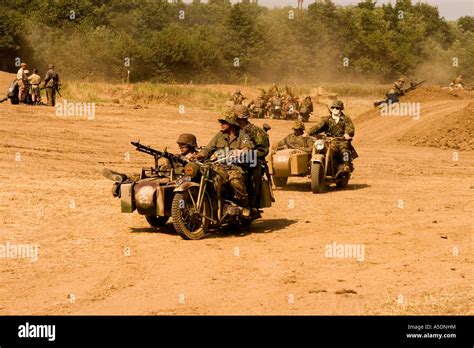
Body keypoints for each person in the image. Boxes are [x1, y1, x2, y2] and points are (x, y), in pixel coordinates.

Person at [195, 112, 254, 216]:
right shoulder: (219, 136)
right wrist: (198, 155)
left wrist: (241, 151)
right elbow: (208, 148)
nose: (221, 124)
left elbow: (247, 147)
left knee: (235, 181)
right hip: (219, 166)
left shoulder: (242, 135)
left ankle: (245, 205)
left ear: (231, 124)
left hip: (235, 167)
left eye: (223, 122)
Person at [102, 134, 199, 189]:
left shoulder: (197, 156)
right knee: (149, 175)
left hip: (184, 179)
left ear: (190, 145)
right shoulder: (179, 156)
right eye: (179, 145)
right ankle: (124, 178)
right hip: (171, 175)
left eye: (183, 145)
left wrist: (192, 159)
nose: (180, 147)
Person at [308, 100, 356, 173]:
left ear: (341, 109)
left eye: (337, 108)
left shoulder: (346, 119)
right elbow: (318, 126)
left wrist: (347, 134)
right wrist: (308, 132)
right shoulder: (326, 119)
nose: (335, 110)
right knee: (325, 151)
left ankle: (346, 167)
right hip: (329, 141)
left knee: (345, 151)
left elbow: (350, 128)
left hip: (342, 141)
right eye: (333, 108)